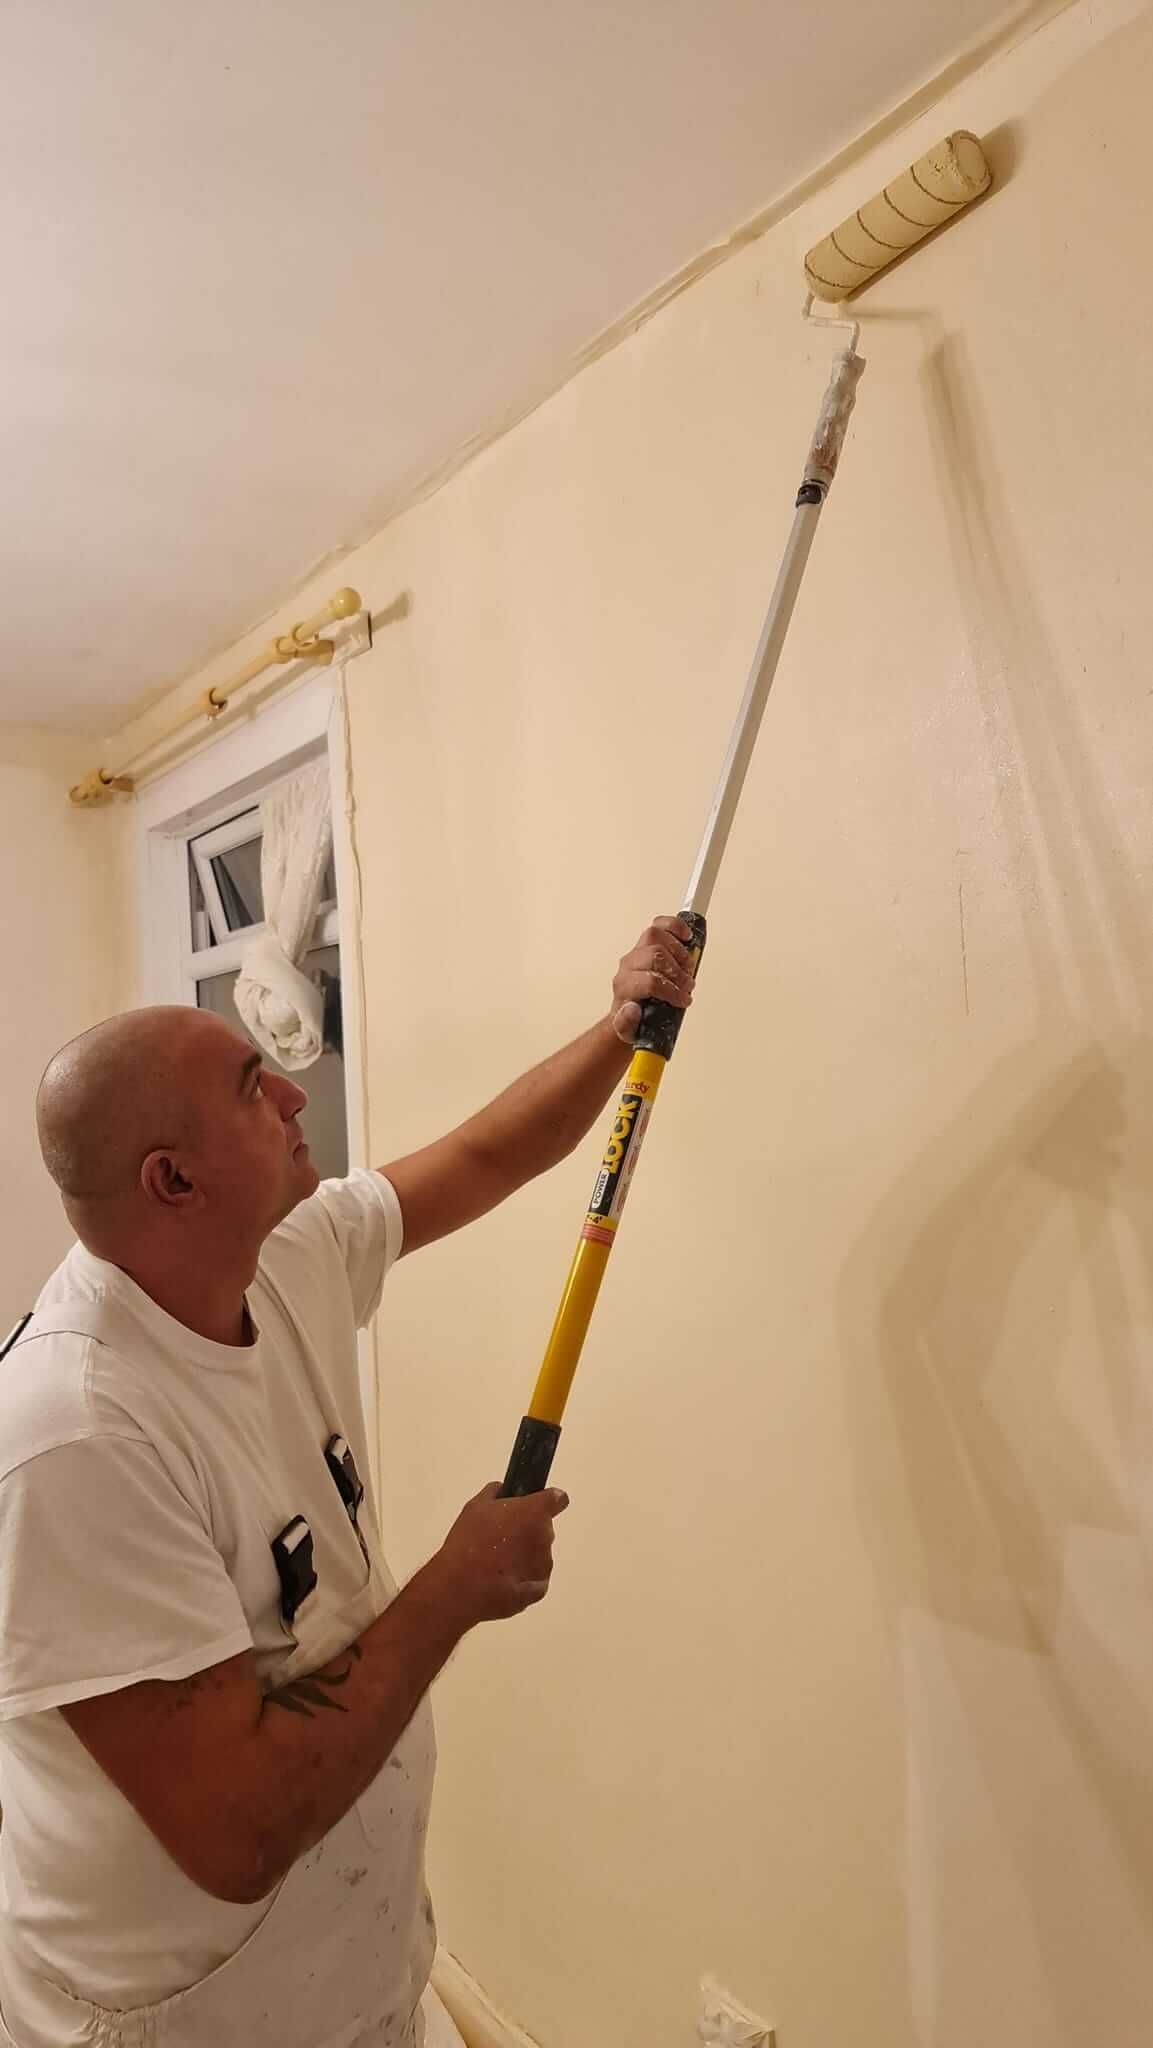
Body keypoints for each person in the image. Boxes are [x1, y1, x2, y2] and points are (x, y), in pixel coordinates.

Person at [0, 917, 695, 2048]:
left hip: (344, 1985)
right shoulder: (74, 1433)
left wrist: (624, 1028)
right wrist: (455, 1584)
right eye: (247, 1086)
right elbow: (237, 1830)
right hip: (189, 2025)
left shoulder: (283, 1252)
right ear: (172, 1179)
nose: (288, 1095)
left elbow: (486, 1154)